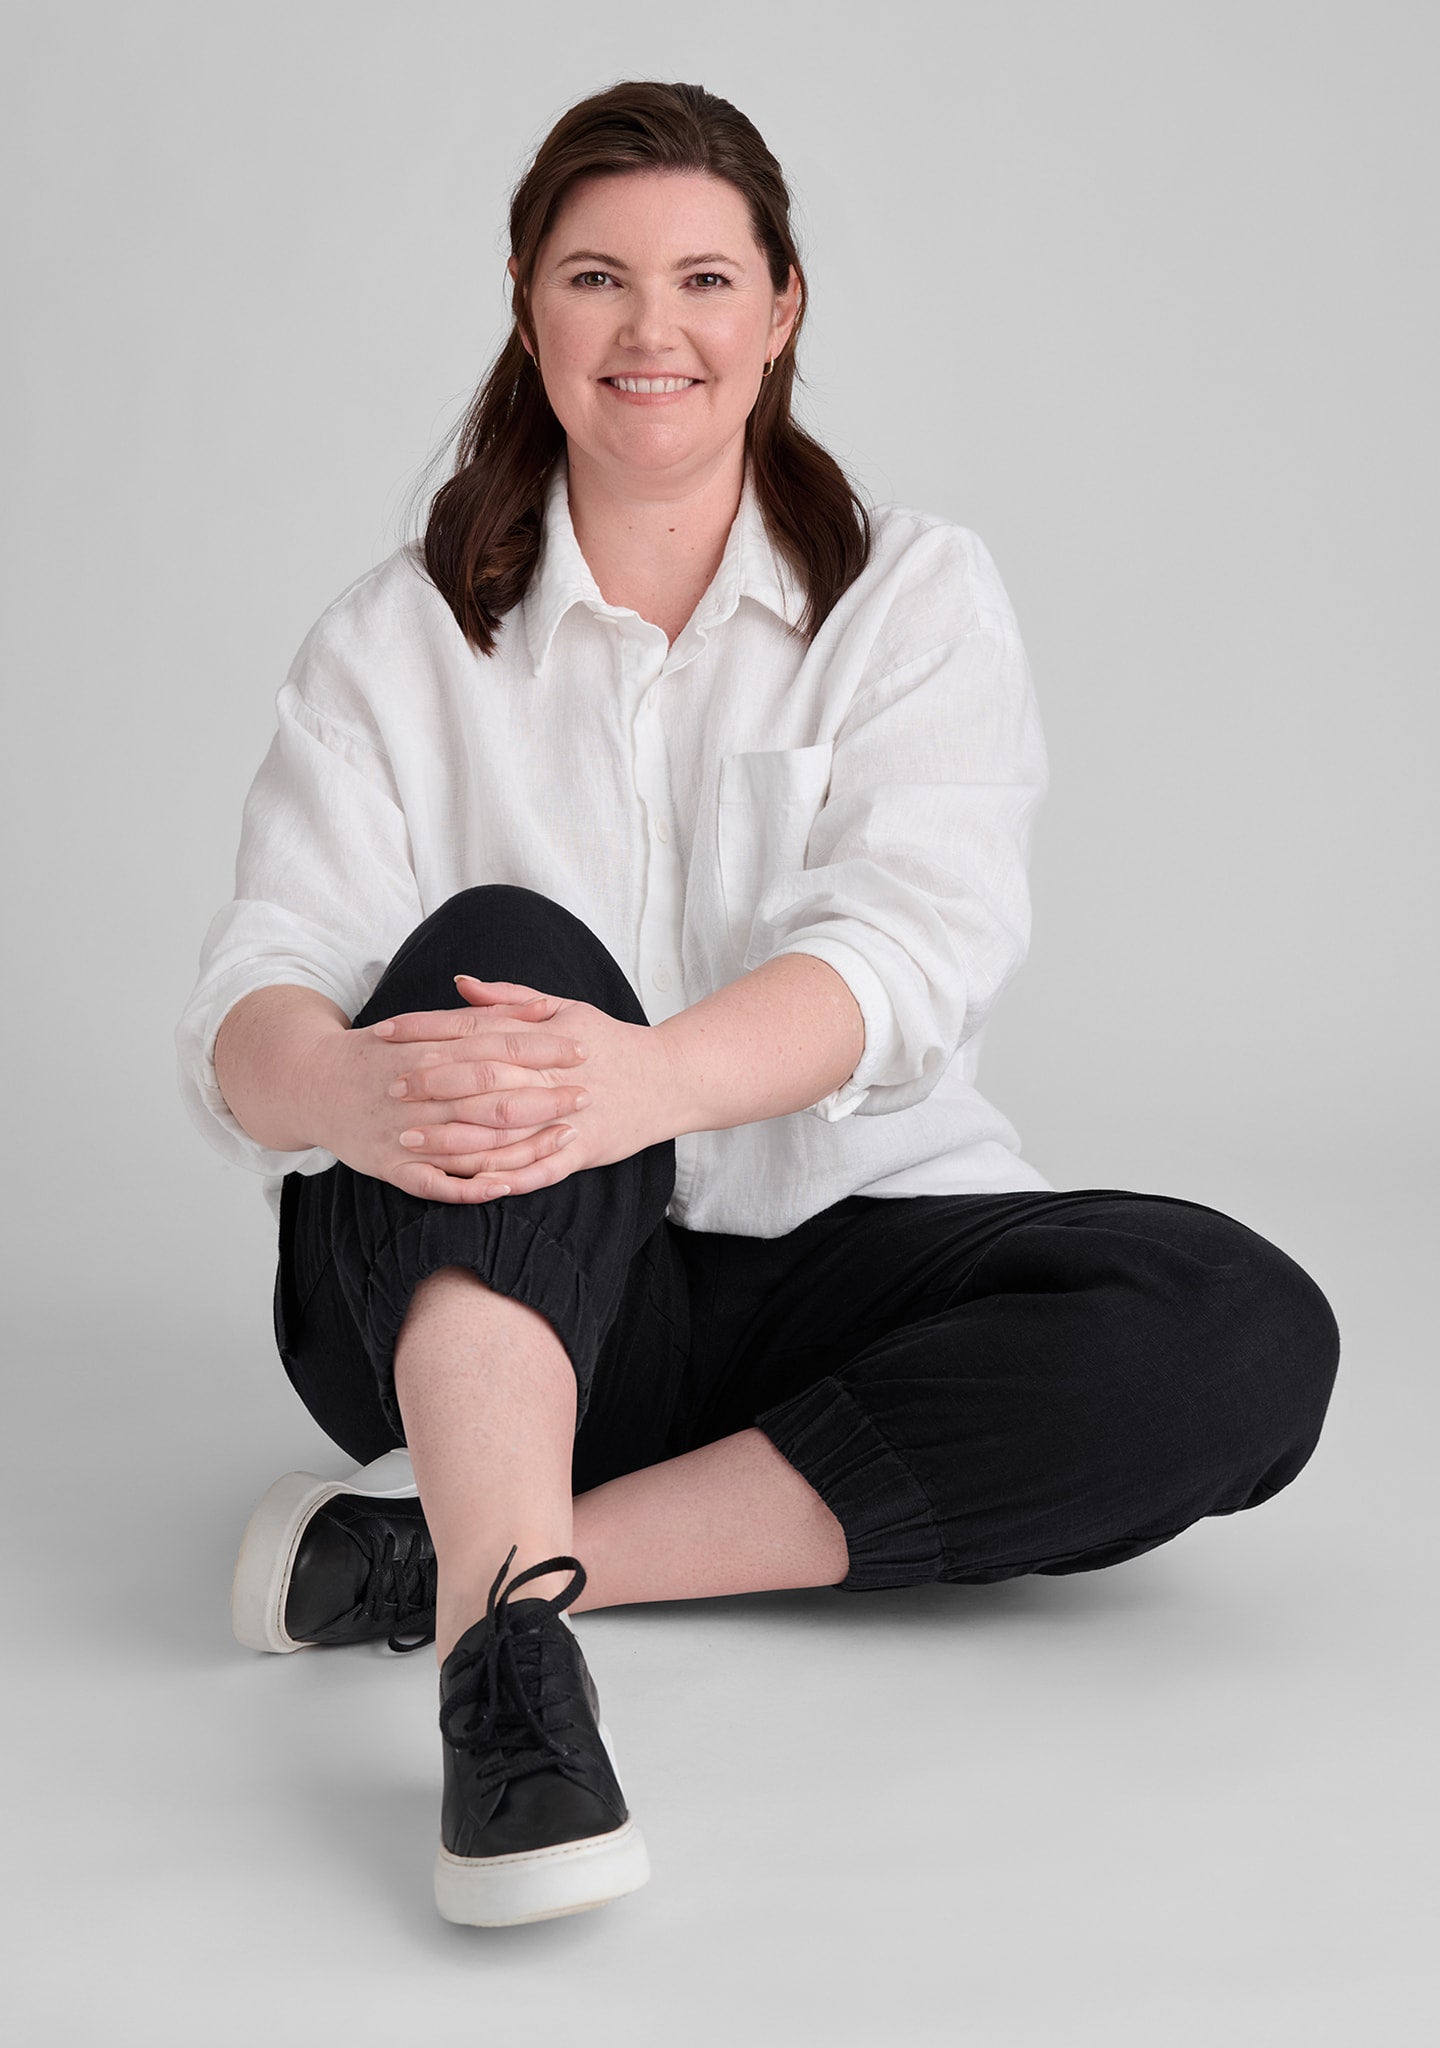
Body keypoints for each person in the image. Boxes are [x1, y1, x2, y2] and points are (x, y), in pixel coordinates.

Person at [174, 79, 1342, 1931]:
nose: (653, 330)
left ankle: (448, 1555)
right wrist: (342, 1090)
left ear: (782, 307)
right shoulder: (395, 637)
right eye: (597, 277)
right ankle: (509, 1672)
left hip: (823, 1275)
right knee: (507, 944)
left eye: (706, 278)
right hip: (490, 1298)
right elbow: (257, 995)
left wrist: (644, 1085)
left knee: (1240, 1330)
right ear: (528, 307)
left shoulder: (912, 595)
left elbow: (915, 949)